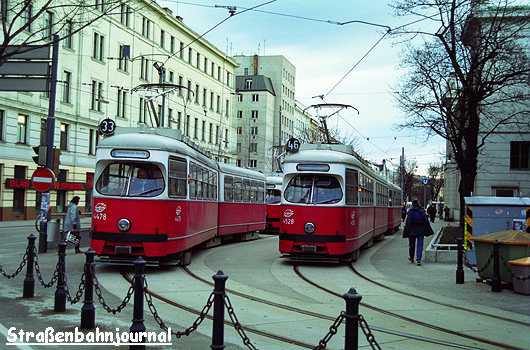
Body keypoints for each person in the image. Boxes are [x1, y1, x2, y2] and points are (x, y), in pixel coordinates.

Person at [402, 199, 434, 266]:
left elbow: (407, 223)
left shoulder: (410, 212)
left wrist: (406, 231)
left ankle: (411, 258)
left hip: (412, 231)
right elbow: (426, 221)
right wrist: (428, 231)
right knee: (420, 245)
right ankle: (418, 259)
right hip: (420, 231)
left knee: (411, 245)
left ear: (413, 204)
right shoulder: (422, 211)